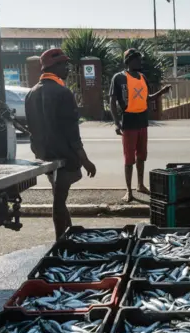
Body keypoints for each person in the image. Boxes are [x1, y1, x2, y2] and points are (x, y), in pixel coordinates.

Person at [25, 48, 97, 240]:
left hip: (44, 156)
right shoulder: (63, 93)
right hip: (63, 158)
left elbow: (32, 129)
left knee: (59, 197)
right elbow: (72, 133)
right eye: (64, 64)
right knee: (58, 202)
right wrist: (85, 160)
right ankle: (60, 244)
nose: (67, 68)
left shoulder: (31, 93)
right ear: (53, 67)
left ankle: (69, 233)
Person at [110, 48, 171, 202]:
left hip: (142, 121)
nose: (139, 62)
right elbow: (112, 101)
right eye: (137, 59)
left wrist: (161, 92)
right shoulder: (119, 78)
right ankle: (129, 191)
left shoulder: (142, 77)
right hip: (128, 122)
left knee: (141, 156)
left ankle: (141, 185)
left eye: (140, 59)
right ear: (128, 61)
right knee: (129, 159)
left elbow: (146, 98)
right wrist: (117, 123)